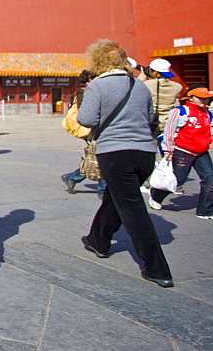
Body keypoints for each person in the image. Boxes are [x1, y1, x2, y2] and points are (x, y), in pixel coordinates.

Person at [78, 39, 174, 288]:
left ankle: (157, 267)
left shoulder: (98, 86)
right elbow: (151, 116)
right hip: (144, 153)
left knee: (133, 210)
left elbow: (86, 118)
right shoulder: (139, 86)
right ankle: (98, 240)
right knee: (117, 197)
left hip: (116, 152)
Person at [148, 85, 213, 217]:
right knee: (177, 180)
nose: (204, 101)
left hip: (201, 152)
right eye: (200, 98)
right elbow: (169, 131)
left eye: (206, 99)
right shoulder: (181, 111)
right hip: (182, 151)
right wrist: (168, 150)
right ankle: (156, 195)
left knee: (210, 179)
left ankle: (205, 211)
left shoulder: (208, 114)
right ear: (191, 97)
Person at [60, 70, 107, 198]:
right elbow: (85, 111)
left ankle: (72, 177)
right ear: (90, 78)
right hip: (91, 129)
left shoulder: (97, 89)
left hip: (101, 128)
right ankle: (103, 189)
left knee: (97, 158)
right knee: (100, 159)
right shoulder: (84, 91)